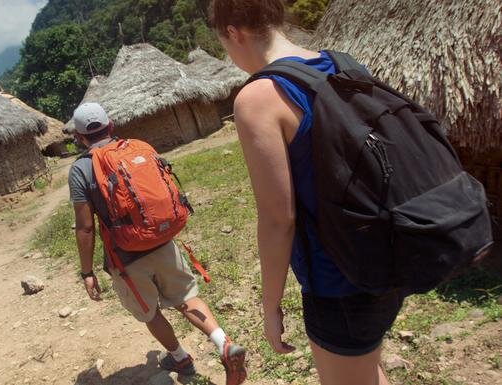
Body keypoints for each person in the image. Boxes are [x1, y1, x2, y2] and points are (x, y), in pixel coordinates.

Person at [210, 1, 403, 384]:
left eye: (224, 44)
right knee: (366, 368)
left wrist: (270, 307)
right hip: (389, 256)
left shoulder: (258, 99)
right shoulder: (344, 63)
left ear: (233, 32)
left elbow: (278, 219)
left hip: (337, 282)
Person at [68, 102, 247, 384]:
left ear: (79, 137)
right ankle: (224, 343)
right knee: (186, 297)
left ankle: (180, 358)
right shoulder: (139, 147)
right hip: (163, 241)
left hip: (126, 255)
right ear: (111, 125)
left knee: (150, 313)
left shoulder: (81, 169)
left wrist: (87, 272)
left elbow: (85, 227)